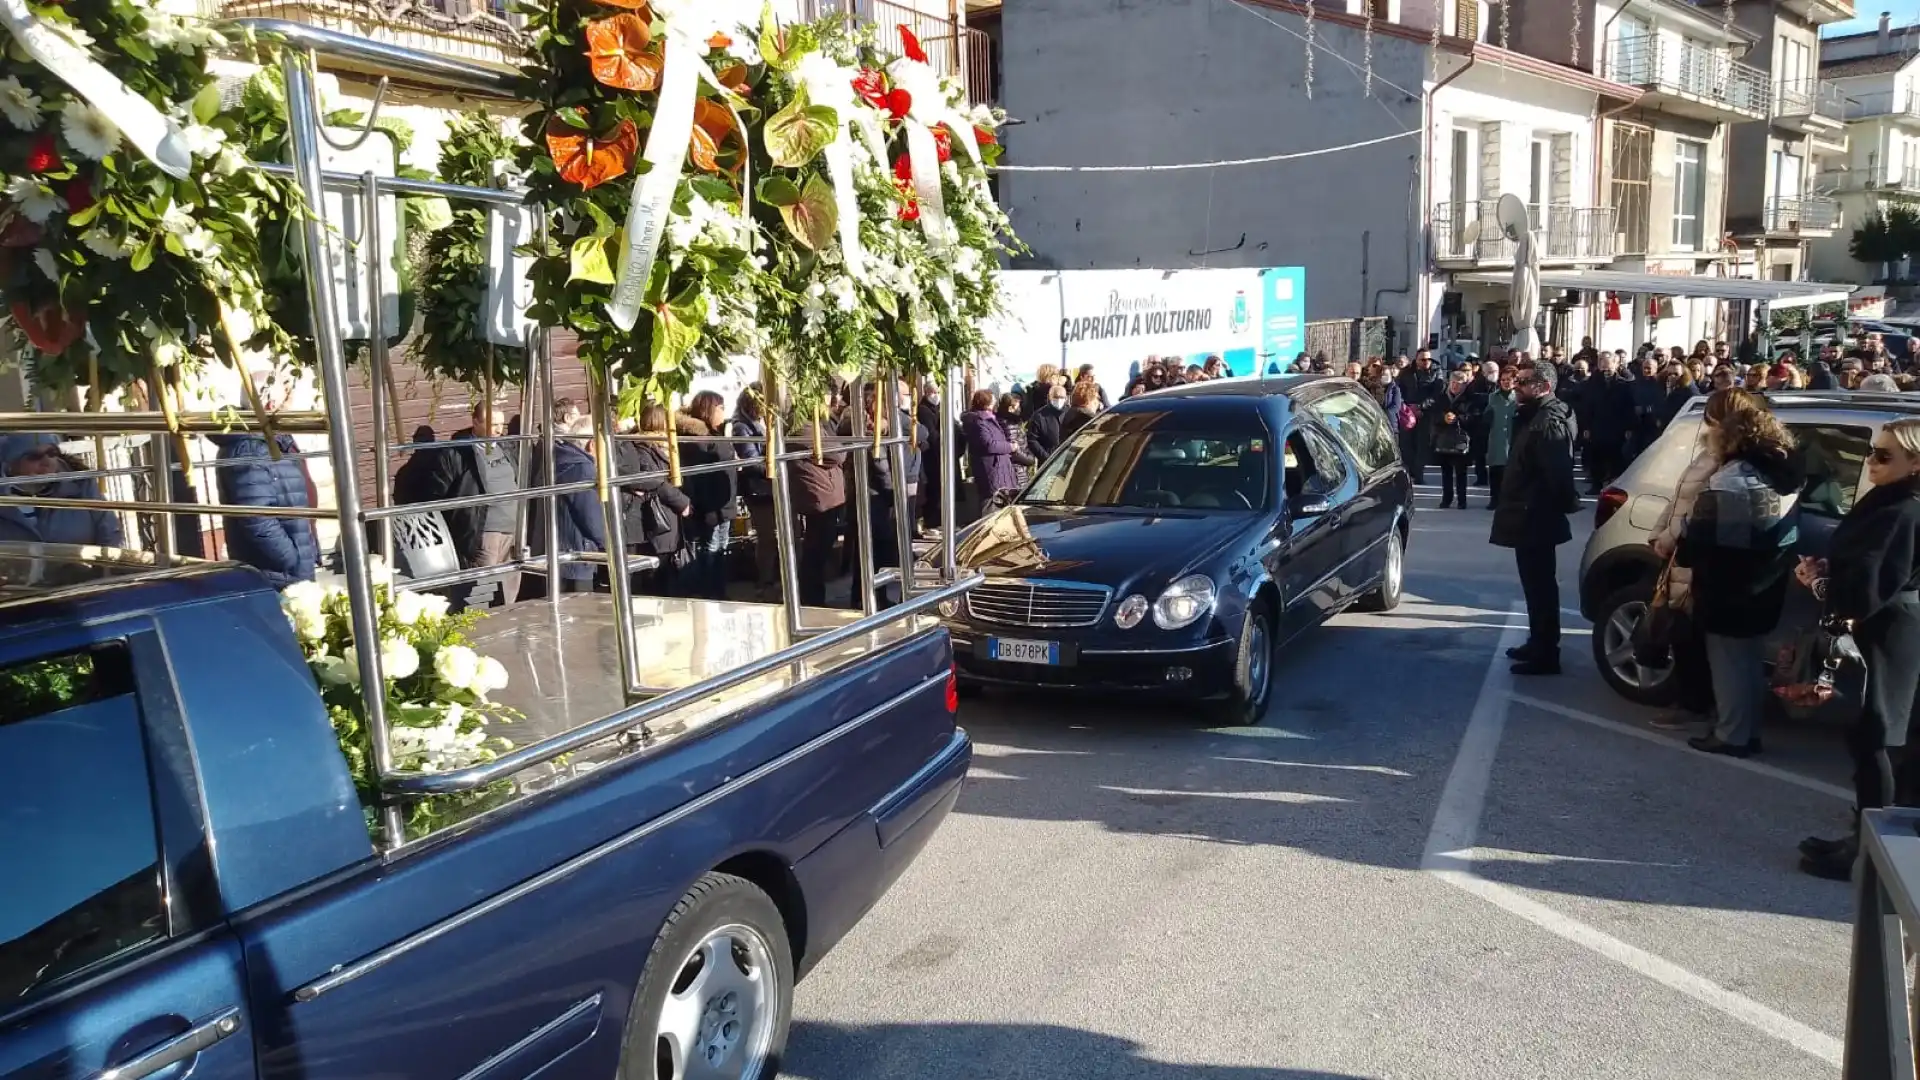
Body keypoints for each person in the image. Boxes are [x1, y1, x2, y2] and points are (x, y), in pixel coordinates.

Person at [1795, 418, 1920, 879]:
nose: (1872, 461)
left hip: (1890, 628)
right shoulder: (1887, 500)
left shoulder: (1904, 509)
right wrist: (1829, 567)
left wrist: (1819, 581)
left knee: (1878, 737)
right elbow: (1859, 561)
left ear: (1916, 464)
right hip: (1882, 624)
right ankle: (1864, 838)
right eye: (1873, 451)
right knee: (1865, 733)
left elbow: (1869, 588)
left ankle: (1874, 857)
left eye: (1885, 455)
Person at [1676, 389, 1803, 757]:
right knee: (1748, 662)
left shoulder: (1730, 480)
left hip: (1730, 586)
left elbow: (1701, 542)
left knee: (1730, 663)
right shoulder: (1784, 473)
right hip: (1768, 580)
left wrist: (1686, 539)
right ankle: (1748, 731)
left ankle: (1732, 735)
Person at [1490, 363, 1580, 675]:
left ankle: (1546, 652)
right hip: (1528, 514)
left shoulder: (1548, 421)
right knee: (1534, 585)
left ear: (1542, 386)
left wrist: (1556, 505)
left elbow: (1557, 474)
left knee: (1541, 586)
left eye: (1523, 382)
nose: (1516, 386)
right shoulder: (1534, 416)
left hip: (1536, 516)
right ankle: (1538, 640)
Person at [211, 367, 318, 587]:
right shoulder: (250, 449)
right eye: (285, 401)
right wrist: (291, 559)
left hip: (286, 570)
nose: (290, 408)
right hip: (275, 574)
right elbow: (257, 518)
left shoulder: (272, 441)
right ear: (270, 404)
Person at [425, 399, 522, 610]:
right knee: (481, 588)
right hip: (484, 531)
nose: (497, 430)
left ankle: (506, 623)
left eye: (500, 425)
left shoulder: (506, 447)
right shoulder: (458, 453)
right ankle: (476, 628)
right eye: (491, 424)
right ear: (475, 422)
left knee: (509, 584)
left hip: (512, 528)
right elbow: (439, 493)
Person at [524, 405, 605, 598]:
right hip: (576, 553)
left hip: (554, 549)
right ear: (592, 444)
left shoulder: (557, 458)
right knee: (578, 610)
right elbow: (590, 516)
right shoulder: (582, 468)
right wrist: (606, 542)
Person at [0, 434, 124, 548]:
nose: (46, 462)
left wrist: (107, 569)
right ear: (11, 462)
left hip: (81, 570)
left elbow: (109, 532)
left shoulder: (80, 484)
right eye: (34, 457)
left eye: (52, 453)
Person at [619, 403, 692, 596]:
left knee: (668, 571)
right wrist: (680, 501)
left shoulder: (666, 445)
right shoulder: (642, 447)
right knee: (660, 574)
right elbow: (653, 481)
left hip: (669, 516)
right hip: (659, 517)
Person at [677, 390, 739, 600]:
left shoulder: (714, 434)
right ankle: (711, 594)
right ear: (710, 410)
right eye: (720, 408)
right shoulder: (698, 439)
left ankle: (718, 591)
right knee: (711, 549)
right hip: (712, 505)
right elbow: (703, 475)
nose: (724, 412)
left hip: (724, 502)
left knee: (721, 548)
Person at [789, 405, 847, 607]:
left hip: (825, 494)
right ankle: (811, 599)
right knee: (815, 550)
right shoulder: (803, 428)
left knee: (821, 547)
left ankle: (814, 596)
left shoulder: (817, 425)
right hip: (818, 496)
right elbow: (838, 455)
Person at [729, 388, 778, 592]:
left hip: (769, 486)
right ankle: (765, 582)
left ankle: (773, 579)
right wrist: (774, 467)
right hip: (759, 489)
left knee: (776, 536)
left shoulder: (760, 423)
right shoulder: (742, 427)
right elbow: (751, 460)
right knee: (766, 537)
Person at [962, 388, 1029, 508]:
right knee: (991, 504)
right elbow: (989, 444)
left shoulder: (990, 419)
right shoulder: (979, 421)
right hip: (991, 468)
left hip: (1000, 467)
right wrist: (1010, 447)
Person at [1431, 368, 1478, 509]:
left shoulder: (1470, 399)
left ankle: (1462, 500)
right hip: (1443, 439)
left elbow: (1474, 417)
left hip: (1460, 440)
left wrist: (1458, 419)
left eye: (1459, 383)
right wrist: (1443, 418)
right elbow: (1433, 416)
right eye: (1453, 382)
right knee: (1446, 472)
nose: (1455, 386)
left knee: (1460, 473)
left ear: (1464, 385)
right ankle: (1446, 499)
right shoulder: (1441, 397)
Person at [1396, 349, 1444, 484]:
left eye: (1428, 359)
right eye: (1422, 359)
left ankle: (1419, 475)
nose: (1426, 362)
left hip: (1426, 413)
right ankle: (1409, 472)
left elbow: (1437, 394)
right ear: (1416, 360)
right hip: (1408, 413)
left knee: (1422, 446)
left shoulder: (1436, 372)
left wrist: (1421, 406)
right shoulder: (1406, 372)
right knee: (1406, 444)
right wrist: (1407, 407)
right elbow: (1399, 390)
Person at [1483, 366, 1517, 511]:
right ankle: (1494, 499)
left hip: (1512, 438)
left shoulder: (1518, 397)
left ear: (1515, 381)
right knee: (1495, 471)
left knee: (1510, 472)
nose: (1505, 382)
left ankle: (1509, 500)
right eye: (1503, 380)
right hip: (1496, 437)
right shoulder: (1493, 397)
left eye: (1509, 380)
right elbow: (1487, 414)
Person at [1467, 360, 1497, 487]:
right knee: (1480, 453)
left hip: (1496, 424)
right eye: (1489, 372)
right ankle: (1481, 477)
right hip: (1480, 424)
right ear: (1484, 373)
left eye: (1495, 371)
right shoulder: (1476, 384)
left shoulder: (1502, 383)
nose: (1493, 374)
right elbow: (1472, 399)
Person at [1026, 381, 1069, 461]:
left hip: (1067, 459)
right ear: (1049, 397)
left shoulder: (1070, 413)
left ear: (1066, 398)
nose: (1059, 400)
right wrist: (1047, 458)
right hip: (1047, 460)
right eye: (1055, 397)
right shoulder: (1039, 415)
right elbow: (1032, 439)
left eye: (1061, 397)